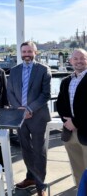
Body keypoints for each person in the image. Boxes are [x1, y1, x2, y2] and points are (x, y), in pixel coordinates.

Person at [7, 41, 51, 196]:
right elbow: (10, 93)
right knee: (25, 149)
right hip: (20, 117)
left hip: (38, 116)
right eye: (24, 51)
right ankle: (30, 178)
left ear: (35, 52)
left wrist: (29, 109)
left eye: (29, 51)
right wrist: (20, 110)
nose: (26, 54)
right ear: (20, 52)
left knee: (39, 151)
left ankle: (41, 186)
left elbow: (45, 94)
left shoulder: (44, 70)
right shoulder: (14, 71)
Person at [56, 48, 87, 187]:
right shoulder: (66, 81)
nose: (79, 61)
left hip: (85, 132)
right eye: (76, 58)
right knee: (77, 169)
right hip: (70, 133)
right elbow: (60, 104)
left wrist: (76, 122)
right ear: (71, 61)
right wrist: (67, 122)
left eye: (82, 58)